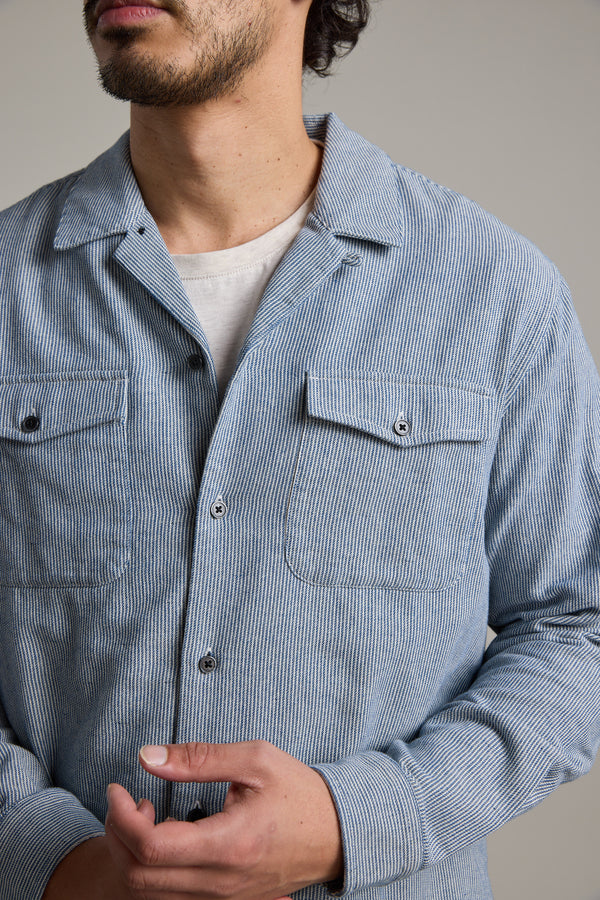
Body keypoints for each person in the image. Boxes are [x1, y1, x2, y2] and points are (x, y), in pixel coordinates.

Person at [0, 0, 598, 897]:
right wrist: (53, 859)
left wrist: (358, 818)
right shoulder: (7, 294)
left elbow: (578, 627)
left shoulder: (497, 294)